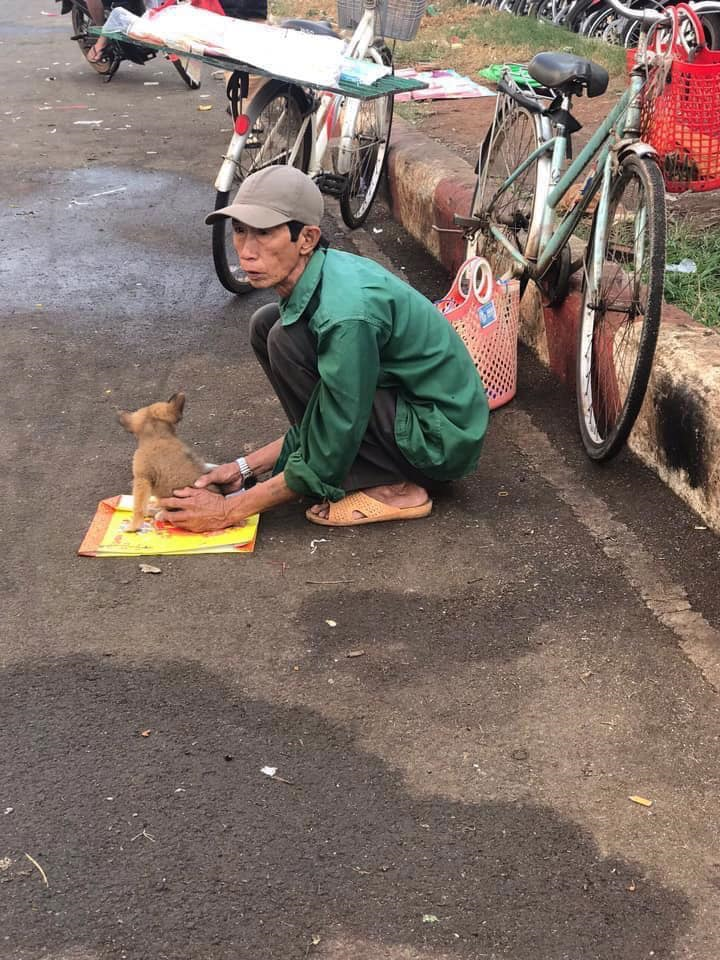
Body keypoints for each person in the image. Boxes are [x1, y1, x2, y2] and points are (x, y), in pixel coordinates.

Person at [156, 166, 489, 532]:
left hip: (439, 443)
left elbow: (337, 425)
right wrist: (243, 469)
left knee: (285, 340)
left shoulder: (344, 314)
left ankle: (394, 487)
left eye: (264, 233)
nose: (246, 252)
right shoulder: (321, 276)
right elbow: (325, 415)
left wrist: (227, 510)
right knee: (269, 325)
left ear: (307, 239)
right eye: (239, 231)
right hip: (405, 411)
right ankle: (349, 469)